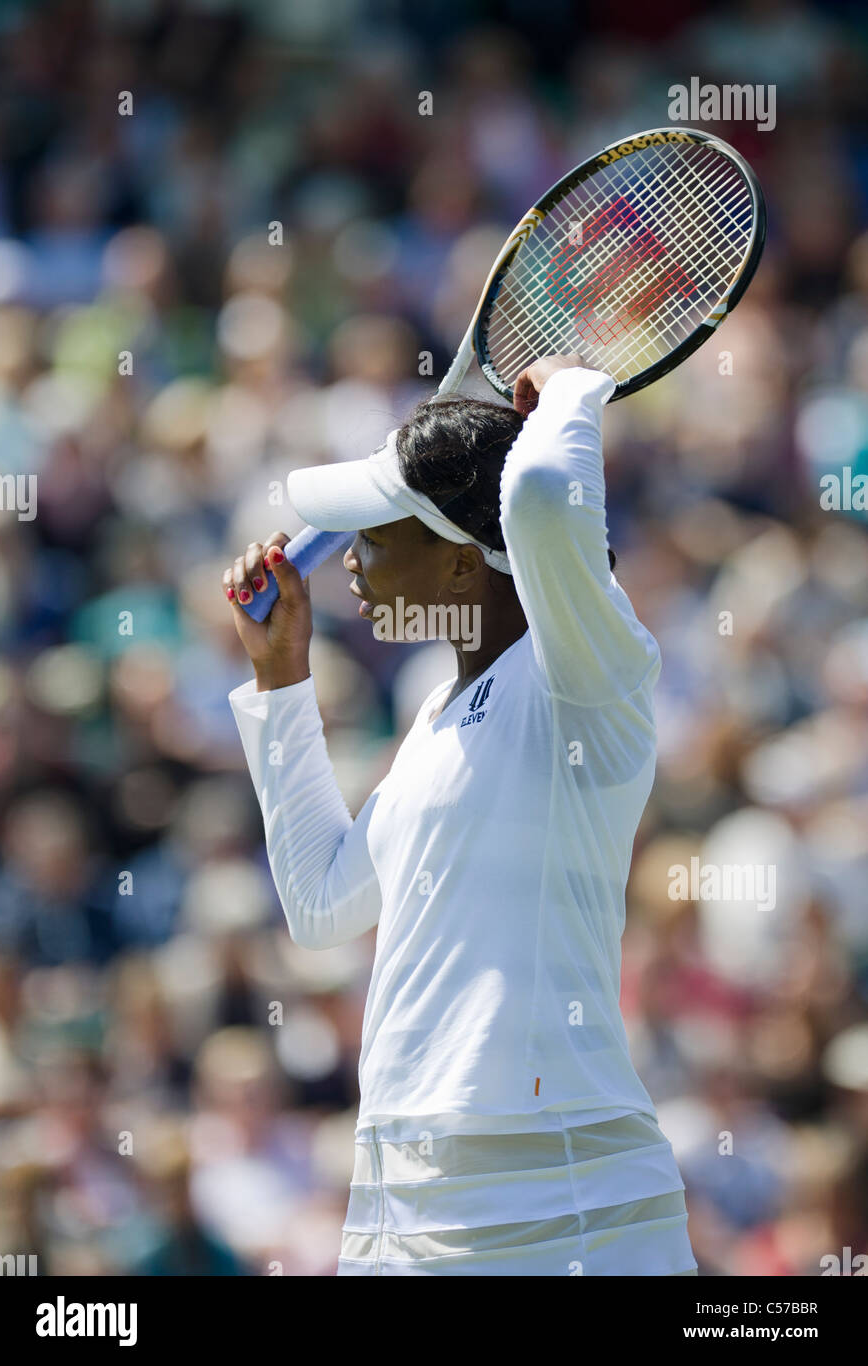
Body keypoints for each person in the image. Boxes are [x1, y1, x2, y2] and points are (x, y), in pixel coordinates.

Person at [222, 353, 699, 1276]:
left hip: (565, 1207)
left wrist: (572, 389)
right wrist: (282, 680)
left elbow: (549, 499)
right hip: (406, 1199)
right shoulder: (435, 721)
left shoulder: (588, 679)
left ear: (454, 562)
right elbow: (322, 905)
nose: (351, 552)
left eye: (376, 530)